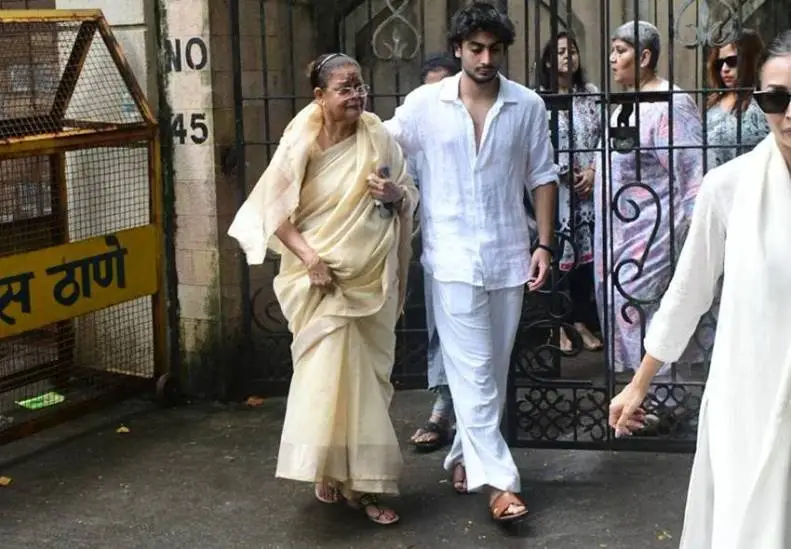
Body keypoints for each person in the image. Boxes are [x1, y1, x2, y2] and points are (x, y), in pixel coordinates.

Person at [609, 30, 791, 549]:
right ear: (761, 100)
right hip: (748, 391)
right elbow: (689, 291)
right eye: (777, 99)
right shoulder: (727, 187)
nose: (790, 113)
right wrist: (640, 383)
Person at [227, 53, 418, 526]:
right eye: (345, 88)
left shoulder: (379, 137)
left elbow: (407, 193)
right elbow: (273, 210)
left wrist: (395, 198)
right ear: (320, 96)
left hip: (370, 280)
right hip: (321, 282)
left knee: (367, 385)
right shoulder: (303, 142)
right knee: (327, 382)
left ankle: (364, 481)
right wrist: (311, 259)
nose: (356, 96)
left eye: (359, 86)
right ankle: (341, 476)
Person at [385, 2, 558, 523]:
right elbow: (381, 143)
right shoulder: (423, 105)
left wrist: (544, 244)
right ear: (458, 48)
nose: (485, 58)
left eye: (494, 49)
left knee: (492, 371)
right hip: (451, 258)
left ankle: (464, 452)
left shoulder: (526, 105)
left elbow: (542, 176)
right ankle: (501, 484)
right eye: (475, 48)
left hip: (509, 255)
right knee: (476, 369)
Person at [596, 21, 708, 427]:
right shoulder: (630, 101)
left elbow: (692, 173)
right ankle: (646, 394)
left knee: (642, 307)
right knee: (626, 305)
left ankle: (667, 396)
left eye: (621, 50)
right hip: (624, 229)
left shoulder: (669, 104)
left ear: (644, 57)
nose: (612, 59)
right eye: (612, 50)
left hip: (654, 228)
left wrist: (687, 233)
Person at [407, 52, 461, 453]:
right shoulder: (414, 132)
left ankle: (480, 419)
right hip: (436, 243)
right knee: (440, 325)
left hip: (483, 244)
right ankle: (443, 406)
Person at [538, 31, 603, 352]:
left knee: (584, 262)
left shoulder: (589, 94)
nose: (568, 57)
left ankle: (581, 320)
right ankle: (557, 325)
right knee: (556, 257)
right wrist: (562, 170)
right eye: (561, 51)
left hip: (589, 191)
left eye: (572, 51)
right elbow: (534, 146)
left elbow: (605, 135)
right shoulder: (539, 99)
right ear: (549, 60)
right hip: (557, 191)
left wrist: (593, 170)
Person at [705, 28, 770, 170]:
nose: (724, 69)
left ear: (750, 59)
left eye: (732, 61)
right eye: (719, 63)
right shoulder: (713, 103)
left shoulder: (766, 100)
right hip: (717, 186)